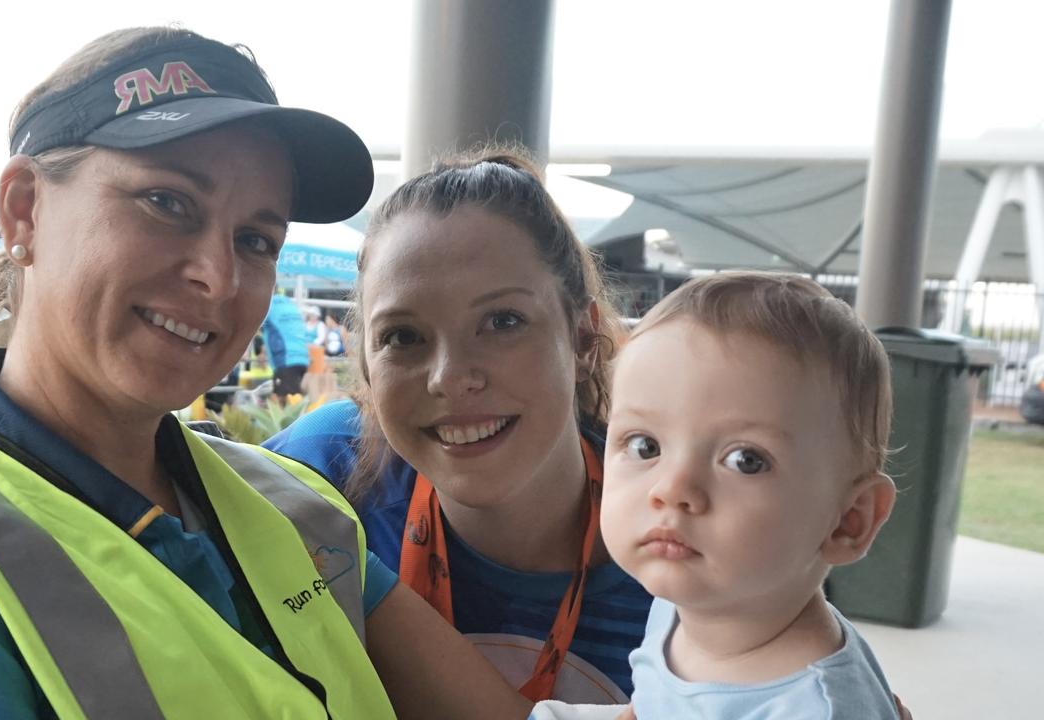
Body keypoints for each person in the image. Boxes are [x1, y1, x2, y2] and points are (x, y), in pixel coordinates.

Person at [0, 27, 530, 720]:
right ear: (23, 210)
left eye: (258, 239)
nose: (219, 277)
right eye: (167, 202)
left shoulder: (293, 508)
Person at [265, 148, 654, 705]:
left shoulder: (685, 549)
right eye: (403, 336)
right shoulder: (320, 476)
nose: (449, 378)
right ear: (368, 369)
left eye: (502, 322)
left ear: (584, 341)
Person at [601, 272, 899, 718]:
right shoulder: (682, 600)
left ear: (847, 520)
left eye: (746, 460)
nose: (672, 489)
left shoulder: (815, 708)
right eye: (646, 446)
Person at [261, 290, 310, 399]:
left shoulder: (267, 305)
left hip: (286, 359)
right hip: (302, 358)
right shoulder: (288, 303)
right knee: (296, 401)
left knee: (285, 403)